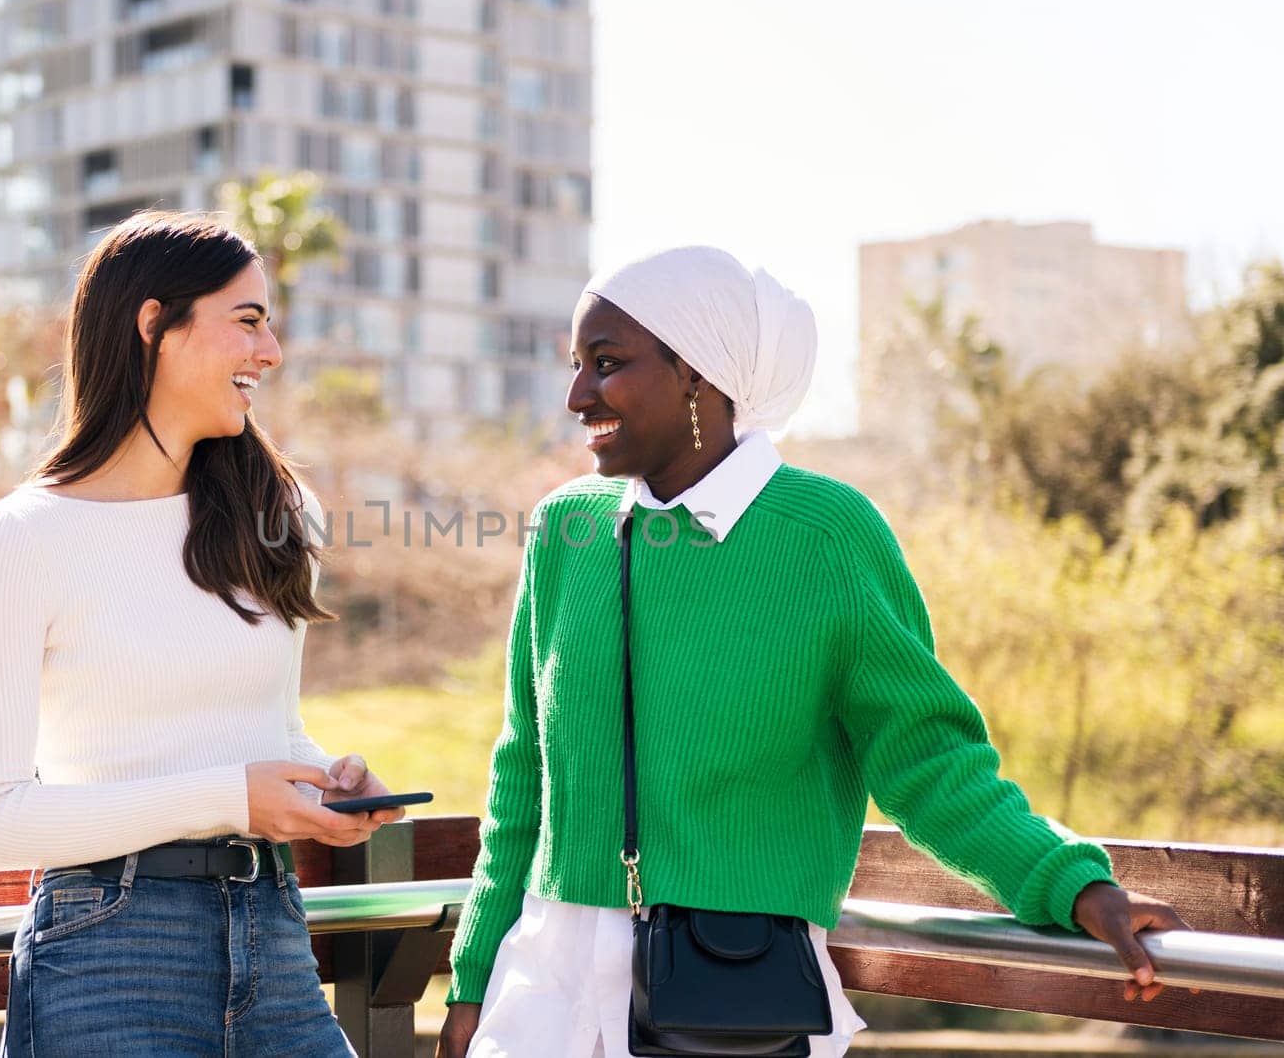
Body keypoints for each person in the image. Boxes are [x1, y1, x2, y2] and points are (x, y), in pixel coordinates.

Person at [437, 246, 1188, 1058]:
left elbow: (931, 764)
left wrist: (1075, 883)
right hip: (542, 992)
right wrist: (474, 980)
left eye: (607, 364)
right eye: (577, 365)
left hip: (732, 990)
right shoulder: (567, 530)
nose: (578, 395)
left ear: (697, 374)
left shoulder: (826, 535)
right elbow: (522, 778)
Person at [0, 211, 404, 1057]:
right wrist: (232, 795)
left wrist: (319, 781)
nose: (271, 353)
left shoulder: (281, 516)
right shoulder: (15, 542)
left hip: (274, 929)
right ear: (154, 323)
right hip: (107, 953)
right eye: (249, 320)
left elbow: (268, 723)